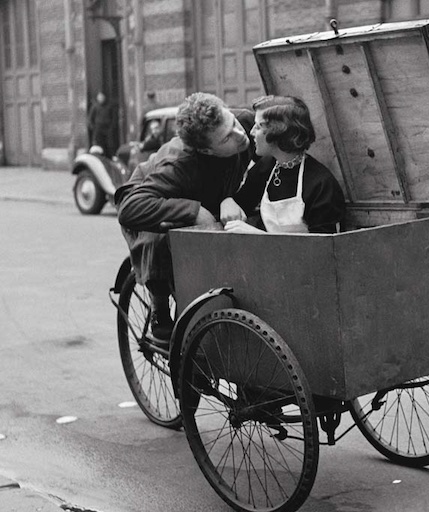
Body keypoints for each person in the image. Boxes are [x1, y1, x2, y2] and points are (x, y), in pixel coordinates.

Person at [115, 92, 252, 342]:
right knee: (160, 240)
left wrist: (230, 199)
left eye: (232, 123)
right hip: (151, 196)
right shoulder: (179, 165)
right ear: (205, 150)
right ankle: (160, 308)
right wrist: (194, 211)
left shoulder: (244, 121)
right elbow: (131, 208)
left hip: (206, 191)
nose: (240, 135)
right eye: (226, 139)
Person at [223, 95, 345, 235]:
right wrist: (227, 201)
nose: (251, 132)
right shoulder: (266, 167)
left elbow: (327, 248)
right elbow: (242, 203)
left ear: (278, 132)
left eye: (258, 127)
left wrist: (259, 237)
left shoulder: (321, 184)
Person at [87, 91, 115, 156]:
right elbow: (90, 118)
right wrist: (94, 128)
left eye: (102, 97)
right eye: (99, 97)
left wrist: (111, 127)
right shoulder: (95, 107)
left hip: (107, 128)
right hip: (98, 128)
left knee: (108, 144)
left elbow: (113, 117)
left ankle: (109, 156)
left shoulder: (109, 106)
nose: (101, 98)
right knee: (98, 145)